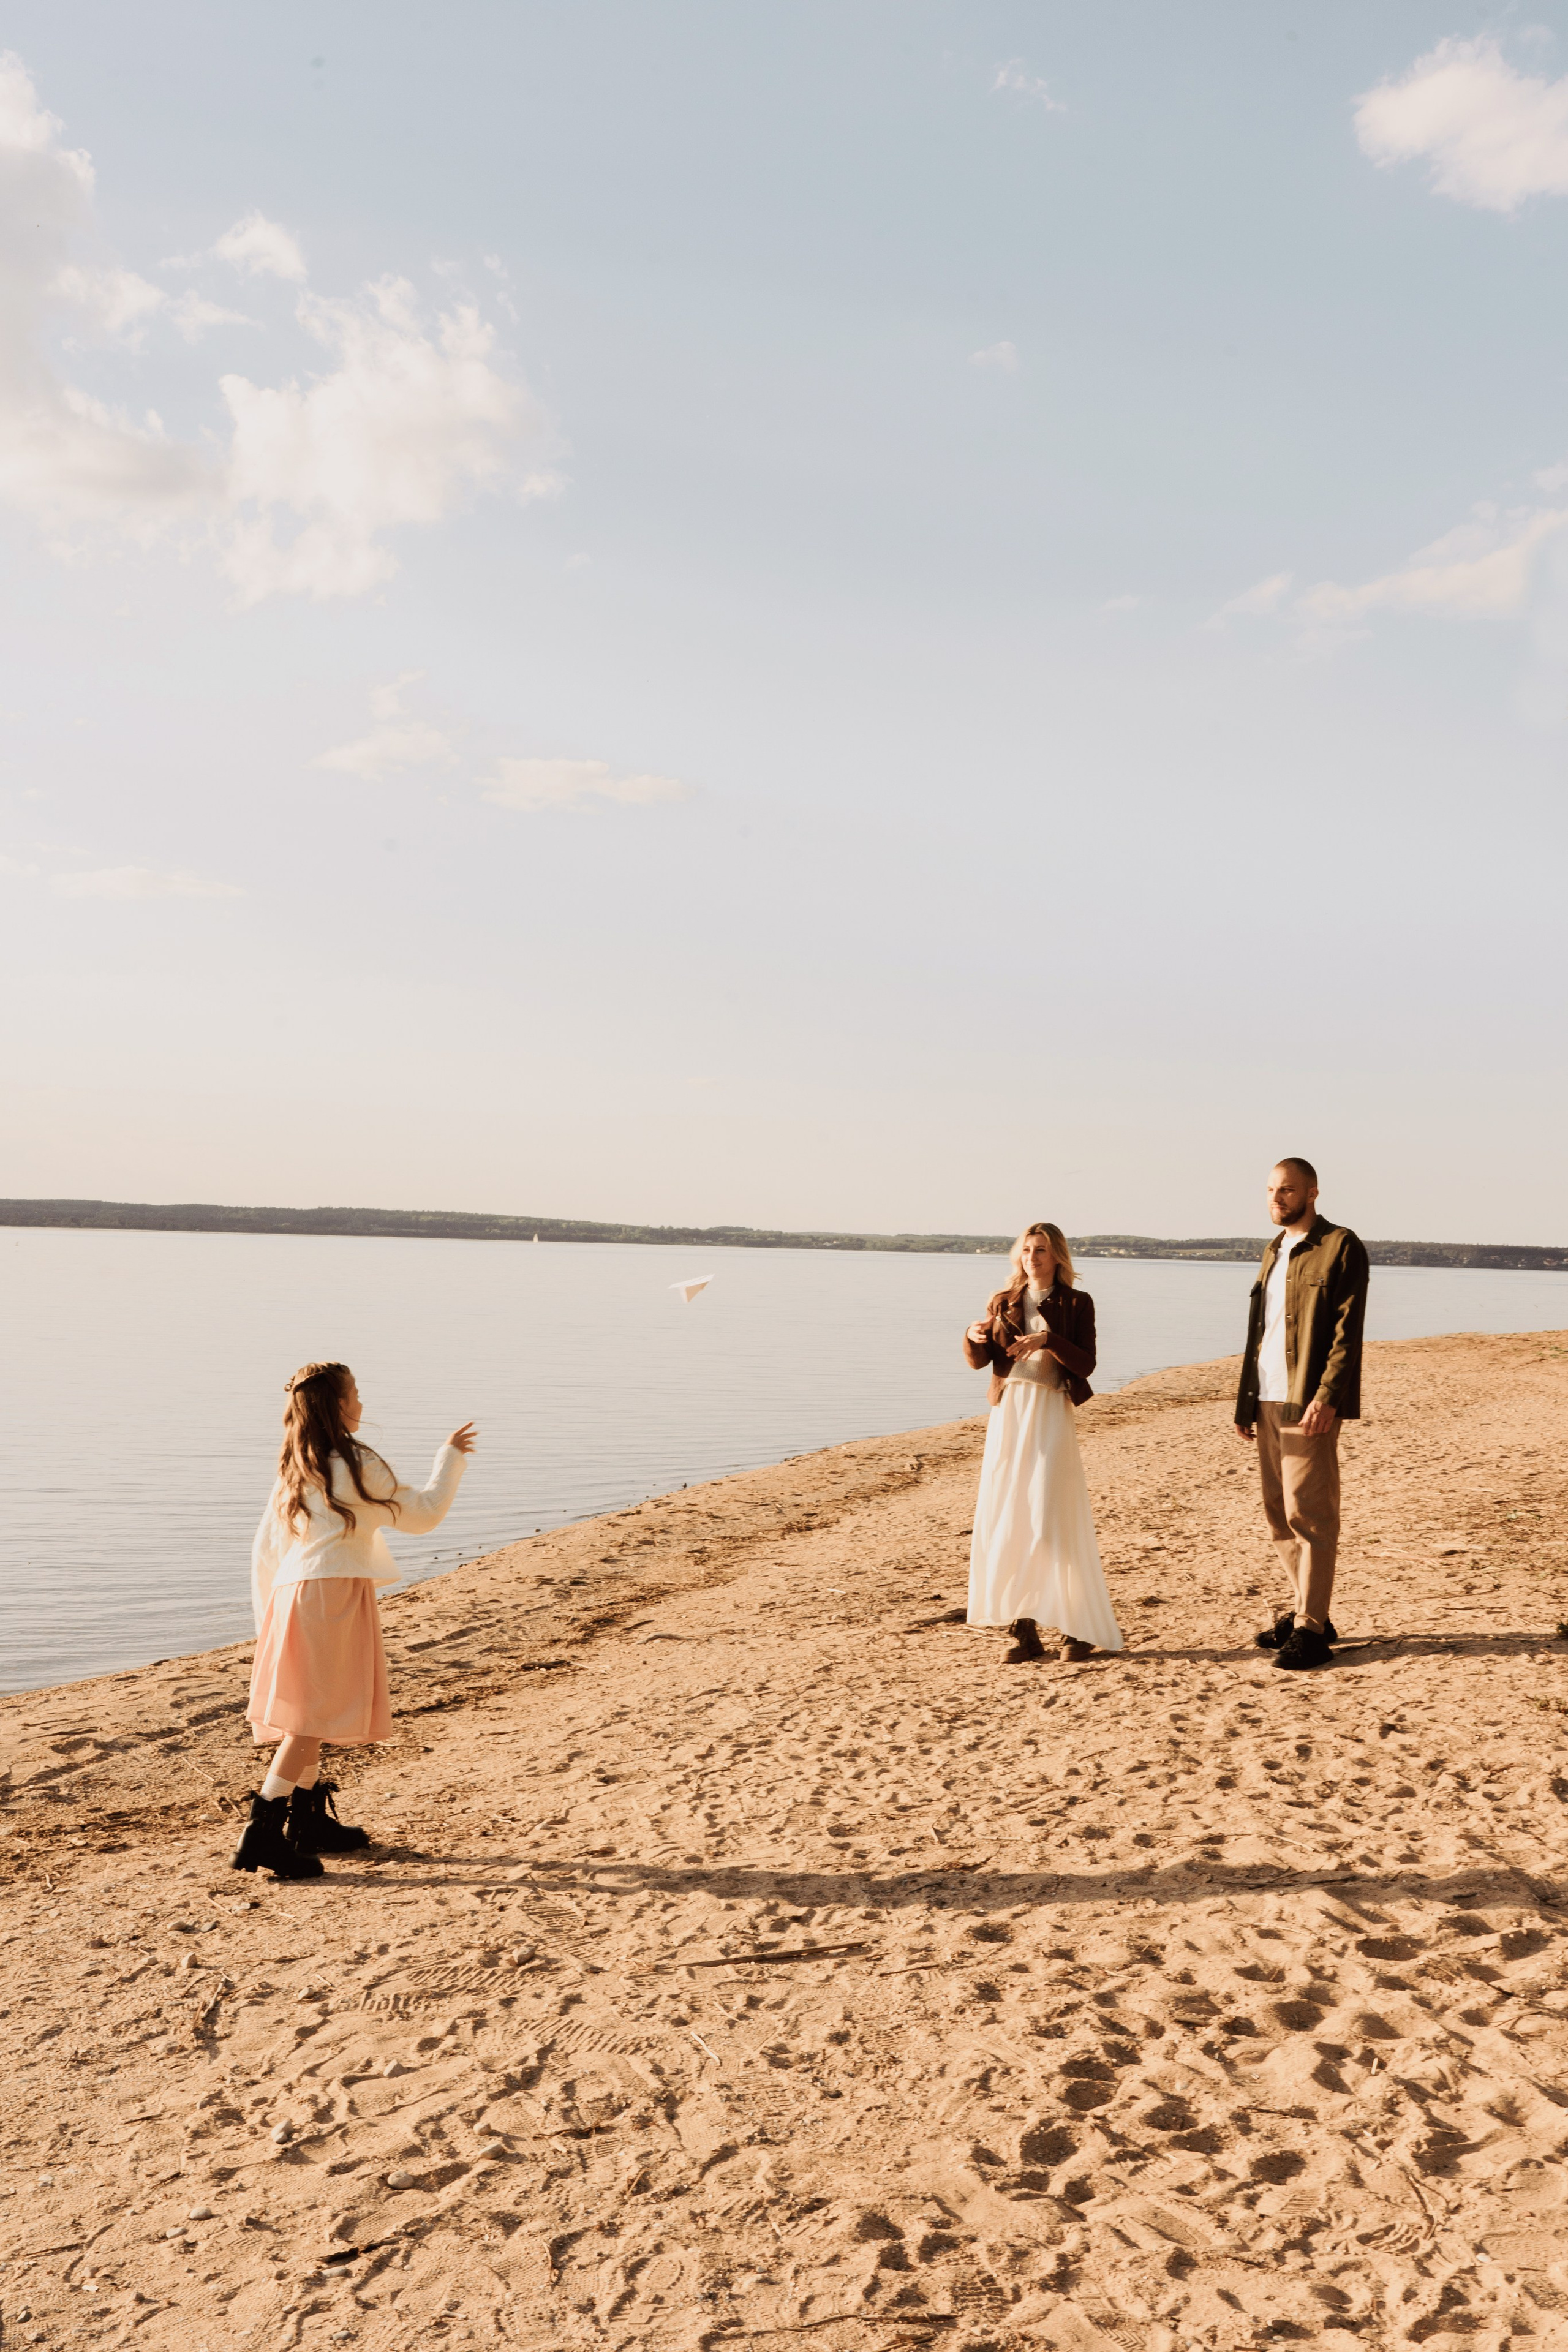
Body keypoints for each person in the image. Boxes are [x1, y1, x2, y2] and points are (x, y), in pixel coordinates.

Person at [232, 1360, 477, 1880]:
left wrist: (267, 1616)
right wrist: (450, 1457)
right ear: (338, 1405)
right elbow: (425, 1514)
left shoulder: (297, 1465)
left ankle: (309, 1821)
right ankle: (262, 1832)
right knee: (311, 1718)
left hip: (294, 1592)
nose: (362, 1403)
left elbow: (266, 1548)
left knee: (312, 1709)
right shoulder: (356, 1460)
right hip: (334, 1592)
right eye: (357, 1394)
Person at [962, 1221, 1123, 1664]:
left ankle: (1077, 1628)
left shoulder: (1077, 1303)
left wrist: (1049, 1340)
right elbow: (983, 1362)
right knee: (1010, 1515)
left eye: (1042, 1251)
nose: (1032, 1258)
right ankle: (1024, 1630)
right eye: (1027, 1250)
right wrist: (972, 1337)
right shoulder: (1003, 1302)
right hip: (1009, 1414)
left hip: (1051, 1411)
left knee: (1053, 1516)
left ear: (1057, 1257)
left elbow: (1086, 1365)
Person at [1234, 1159, 1369, 1672]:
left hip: (1306, 1399)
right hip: (1266, 1397)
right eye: (1271, 1190)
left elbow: (1346, 1330)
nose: (1277, 1198)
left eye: (1286, 1190)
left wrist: (1328, 1395)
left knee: (1309, 1513)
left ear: (1312, 1192)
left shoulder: (1340, 1245)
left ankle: (1312, 1631)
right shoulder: (1274, 1250)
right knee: (1277, 1512)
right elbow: (1261, 1334)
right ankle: (1310, 1610)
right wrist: (1245, 1402)